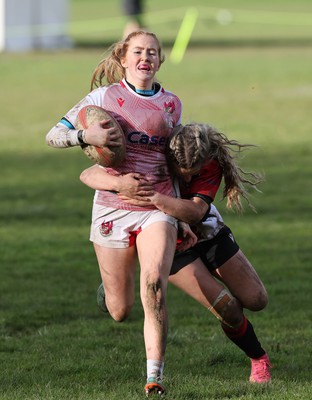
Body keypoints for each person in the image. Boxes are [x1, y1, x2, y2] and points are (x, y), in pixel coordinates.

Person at [46, 31, 184, 396]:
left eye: (152, 53)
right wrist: (84, 137)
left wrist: (182, 211)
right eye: (138, 51)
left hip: (156, 205)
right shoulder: (102, 99)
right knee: (120, 308)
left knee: (154, 285)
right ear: (123, 58)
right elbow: (52, 135)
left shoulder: (172, 104)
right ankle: (109, 293)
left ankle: (154, 377)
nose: (146, 58)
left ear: (159, 61)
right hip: (112, 207)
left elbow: (173, 163)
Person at [80, 123, 272, 384]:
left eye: (194, 172)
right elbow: (90, 174)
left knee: (257, 299)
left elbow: (194, 212)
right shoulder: (153, 154)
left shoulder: (210, 160)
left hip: (206, 232)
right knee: (228, 309)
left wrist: (155, 198)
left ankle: (123, 274)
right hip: (174, 243)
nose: (189, 178)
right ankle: (259, 359)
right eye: (183, 173)